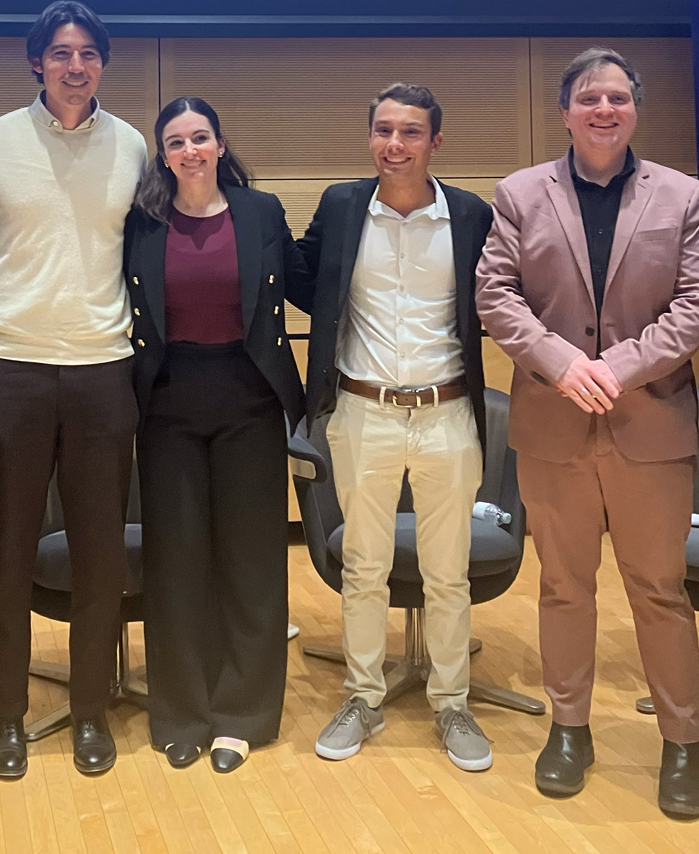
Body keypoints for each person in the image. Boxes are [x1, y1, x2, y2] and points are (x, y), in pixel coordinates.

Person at [476, 47, 699, 818]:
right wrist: (565, 362)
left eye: (617, 98)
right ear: (565, 110)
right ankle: (569, 730)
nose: (604, 110)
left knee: (660, 592)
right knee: (564, 587)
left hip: (652, 424)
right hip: (553, 422)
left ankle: (683, 742)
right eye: (588, 98)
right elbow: (496, 295)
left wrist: (618, 368)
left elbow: (694, 306)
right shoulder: (518, 193)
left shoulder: (682, 196)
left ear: (634, 108)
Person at [0, 0, 147, 778]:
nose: (76, 65)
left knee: (101, 556)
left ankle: (92, 711)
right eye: (61, 53)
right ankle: (6, 717)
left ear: (102, 63)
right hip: (11, 370)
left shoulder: (133, 145)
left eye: (89, 53)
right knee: (7, 553)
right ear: (37, 62)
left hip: (105, 370)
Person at [293, 84, 495, 772]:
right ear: (369, 136)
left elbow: (497, 297)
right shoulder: (342, 206)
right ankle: (362, 697)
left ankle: (452, 704)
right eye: (383, 129)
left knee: (448, 572)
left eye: (411, 132)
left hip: (447, 412)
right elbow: (305, 278)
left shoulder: (470, 215)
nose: (394, 145)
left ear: (436, 142)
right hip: (363, 411)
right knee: (364, 566)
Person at [122, 96, 304, 773]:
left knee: (252, 560)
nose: (190, 150)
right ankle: (181, 713)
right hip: (167, 402)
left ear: (221, 145)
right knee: (176, 562)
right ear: (162, 155)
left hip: (249, 398)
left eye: (201, 137)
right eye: (176, 141)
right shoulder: (141, 221)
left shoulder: (262, 214)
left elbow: (310, 282)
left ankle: (242, 715)